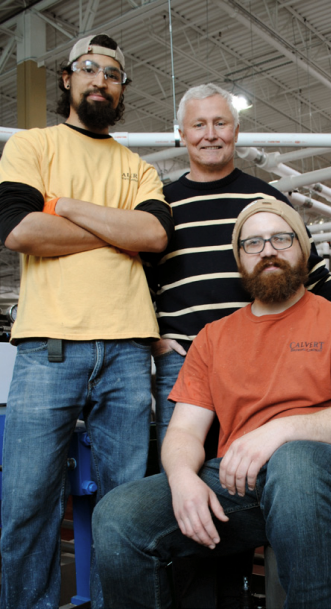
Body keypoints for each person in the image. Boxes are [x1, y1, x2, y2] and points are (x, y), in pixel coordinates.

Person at [94, 198, 331, 609]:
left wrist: (280, 430)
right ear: (240, 261)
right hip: (243, 484)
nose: (267, 250)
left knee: (295, 461)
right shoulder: (214, 337)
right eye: (253, 244)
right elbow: (182, 431)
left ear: (302, 249)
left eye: (281, 238)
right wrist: (182, 480)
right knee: (117, 515)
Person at [0, 34, 173, 609]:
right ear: (67, 79)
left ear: (122, 89)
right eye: (89, 69)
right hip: (48, 345)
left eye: (114, 74)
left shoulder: (139, 167)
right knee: (27, 503)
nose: (101, 80)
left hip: (128, 348)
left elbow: (151, 235)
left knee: (124, 507)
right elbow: (20, 231)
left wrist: (66, 207)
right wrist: (114, 230)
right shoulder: (32, 144)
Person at [145, 82, 331, 456]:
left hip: (266, 362)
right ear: (182, 134)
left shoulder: (267, 198)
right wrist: (149, 339)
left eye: (220, 123)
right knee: (182, 473)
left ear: (236, 131)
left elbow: (313, 273)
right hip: (183, 362)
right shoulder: (159, 205)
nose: (210, 135)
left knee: (264, 471)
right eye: (199, 125)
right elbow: (135, 281)